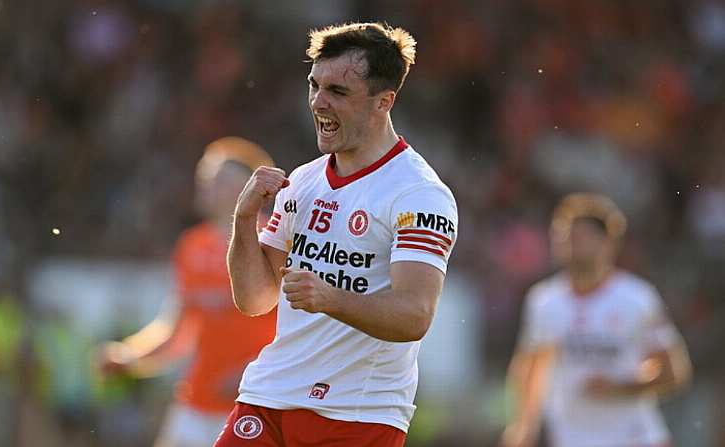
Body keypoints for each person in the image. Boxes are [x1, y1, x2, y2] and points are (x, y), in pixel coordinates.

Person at [216, 22, 458, 447]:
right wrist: (244, 219)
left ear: (384, 101)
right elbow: (255, 299)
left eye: (338, 92)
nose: (318, 102)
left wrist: (329, 297)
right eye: (314, 85)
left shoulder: (418, 194)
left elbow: (414, 315)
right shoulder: (303, 182)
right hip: (269, 396)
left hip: (357, 415)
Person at [98, 137, 278, 447]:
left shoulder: (274, 240)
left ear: (248, 188)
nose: (207, 185)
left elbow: (299, 330)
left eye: (219, 178)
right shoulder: (191, 246)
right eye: (205, 177)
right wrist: (130, 357)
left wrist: (253, 371)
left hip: (254, 404)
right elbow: (177, 332)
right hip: (195, 402)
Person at [501, 193, 693, 447]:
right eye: (561, 236)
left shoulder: (637, 298)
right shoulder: (544, 301)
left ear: (607, 243)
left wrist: (621, 388)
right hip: (570, 440)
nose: (567, 243)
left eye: (578, 236)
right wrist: (523, 424)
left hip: (634, 439)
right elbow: (531, 365)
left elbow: (675, 373)